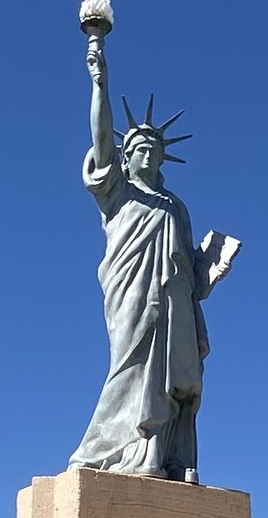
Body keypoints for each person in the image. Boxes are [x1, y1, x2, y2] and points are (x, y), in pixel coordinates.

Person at [68, 31, 231, 483]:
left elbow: (192, 275)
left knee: (175, 379)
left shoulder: (177, 206)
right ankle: (105, 449)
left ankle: (161, 457)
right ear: (125, 157)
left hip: (176, 303)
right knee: (132, 367)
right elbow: (101, 138)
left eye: (153, 149)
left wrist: (210, 268)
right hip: (133, 294)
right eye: (139, 149)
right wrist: (99, 80)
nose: (148, 154)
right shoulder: (118, 193)